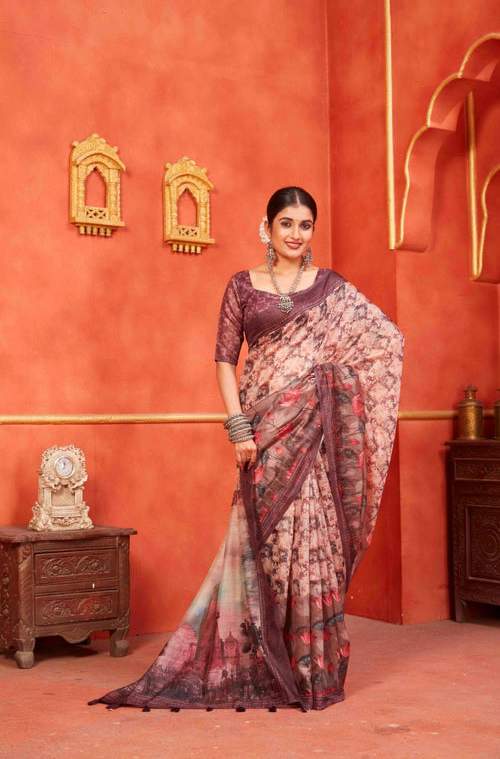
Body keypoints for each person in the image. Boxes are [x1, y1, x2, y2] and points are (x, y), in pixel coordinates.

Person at [90, 186, 404, 712]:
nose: (296, 235)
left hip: (313, 433)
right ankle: (260, 658)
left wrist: (327, 384)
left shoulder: (333, 289)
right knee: (272, 545)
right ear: (268, 227)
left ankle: (311, 670)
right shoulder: (242, 285)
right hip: (261, 428)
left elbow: (384, 343)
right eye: (287, 224)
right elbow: (223, 360)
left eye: (305, 225)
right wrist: (239, 426)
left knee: (311, 545)